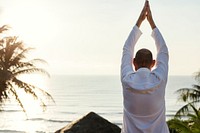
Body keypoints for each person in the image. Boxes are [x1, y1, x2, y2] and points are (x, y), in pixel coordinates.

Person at [120, 0, 169, 133]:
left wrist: (139, 21)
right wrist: (152, 23)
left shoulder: (127, 80)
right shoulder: (159, 79)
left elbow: (126, 49)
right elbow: (163, 51)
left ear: (133, 62)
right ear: (153, 63)